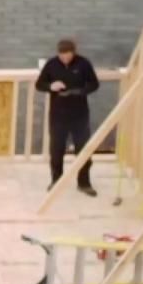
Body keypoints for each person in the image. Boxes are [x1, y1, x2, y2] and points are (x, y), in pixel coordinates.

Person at [35, 37, 100, 197]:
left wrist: (79, 91)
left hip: (79, 114)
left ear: (73, 52)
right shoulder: (51, 64)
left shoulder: (83, 63)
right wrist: (51, 86)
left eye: (68, 55)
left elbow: (94, 84)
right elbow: (39, 84)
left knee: (83, 149)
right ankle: (56, 181)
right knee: (56, 149)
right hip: (58, 115)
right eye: (62, 55)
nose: (65, 58)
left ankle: (84, 183)